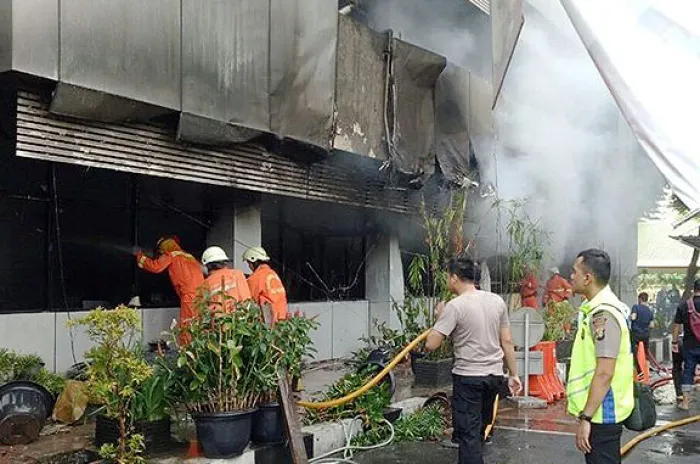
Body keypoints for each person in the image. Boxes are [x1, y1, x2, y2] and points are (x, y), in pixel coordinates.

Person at [424, 255, 521, 464]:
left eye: (449, 276)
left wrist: (440, 317)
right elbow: (507, 340)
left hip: (468, 379)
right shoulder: (497, 301)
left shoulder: (455, 306)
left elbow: (431, 344)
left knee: (469, 437)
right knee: (478, 433)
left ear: (455, 278)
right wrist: (514, 375)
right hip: (494, 377)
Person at [567, 249, 634, 464]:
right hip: (599, 410)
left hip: (602, 413)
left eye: (574, 272)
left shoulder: (603, 314)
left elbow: (605, 372)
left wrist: (586, 417)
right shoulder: (595, 310)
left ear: (588, 278)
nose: (570, 276)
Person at [135, 236, 204, 323]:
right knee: (200, 323)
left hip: (189, 295)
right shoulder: (190, 256)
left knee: (188, 325)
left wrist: (140, 256)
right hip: (202, 294)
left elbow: (156, 267)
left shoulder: (171, 255)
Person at [672, 278, 700, 411]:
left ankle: (686, 403)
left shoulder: (684, 305)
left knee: (688, 372)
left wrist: (674, 341)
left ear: (694, 289)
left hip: (689, 345)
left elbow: (676, 325)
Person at [242, 246, 289, 322]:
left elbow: (249, 301)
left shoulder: (255, 278)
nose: (249, 266)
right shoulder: (272, 273)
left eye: (249, 263)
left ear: (254, 261)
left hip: (268, 321)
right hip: (282, 318)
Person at [200, 246, 251, 313]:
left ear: (207, 265)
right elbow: (247, 301)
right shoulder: (238, 274)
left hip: (219, 321)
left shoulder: (206, 283)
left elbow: (204, 310)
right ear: (224, 262)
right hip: (240, 320)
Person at [630, 292, 655, 373]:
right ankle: (646, 371)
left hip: (636, 334)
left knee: (635, 352)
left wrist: (629, 316)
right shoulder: (649, 310)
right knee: (645, 353)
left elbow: (633, 317)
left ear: (639, 299)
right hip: (645, 335)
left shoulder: (635, 307)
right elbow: (652, 325)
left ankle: (639, 371)